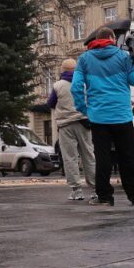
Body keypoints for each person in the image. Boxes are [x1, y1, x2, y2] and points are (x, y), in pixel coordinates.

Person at [71, 27, 134, 207]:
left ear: (96, 40)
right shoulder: (123, 57)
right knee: (127, 157)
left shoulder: (85, 59)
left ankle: (104, 197)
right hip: (122, 116)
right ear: (112, 38)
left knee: (102, 158)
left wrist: (84, 109)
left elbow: (75, 87)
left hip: (99, 117)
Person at [48, 58, 95, 201]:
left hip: (66, 124)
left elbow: (51, 103)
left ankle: (76, 190)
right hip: (84, 122)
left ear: (62, 70)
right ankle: (95, 189)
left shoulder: (57, 86)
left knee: (70, 158)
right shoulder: (84, 83)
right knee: (89, 155)